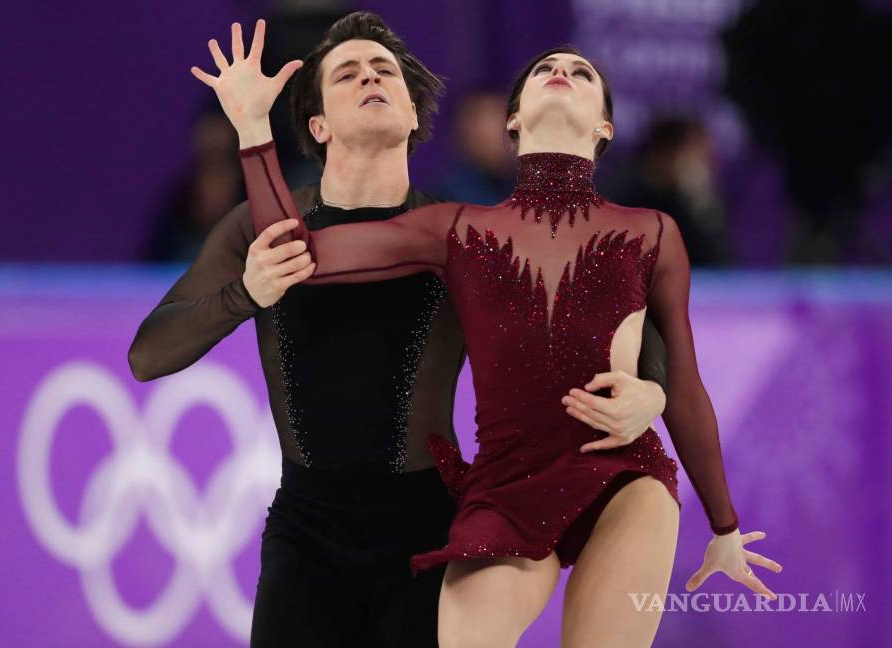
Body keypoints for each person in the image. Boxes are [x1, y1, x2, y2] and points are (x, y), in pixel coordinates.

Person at [197, 18, 784, 647]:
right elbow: (297, 257)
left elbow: (685, 380)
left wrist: (724, 525)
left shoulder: (653, 232)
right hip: (508, 486)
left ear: (605, 127)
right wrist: (253, 133)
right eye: (544, 69)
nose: (562, 71)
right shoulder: (458, 230)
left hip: (620, 475)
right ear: (513, 120)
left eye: (581, 73)